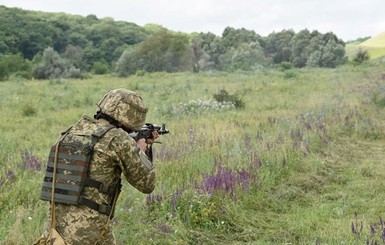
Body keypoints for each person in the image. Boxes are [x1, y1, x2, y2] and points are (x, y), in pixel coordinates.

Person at [34, 88, 158, 245]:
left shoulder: (73, 130)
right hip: (90, 234)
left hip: (53, 232)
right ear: (132, 117)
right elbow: (147, 184)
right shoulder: (119, 139)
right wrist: (140, 151)